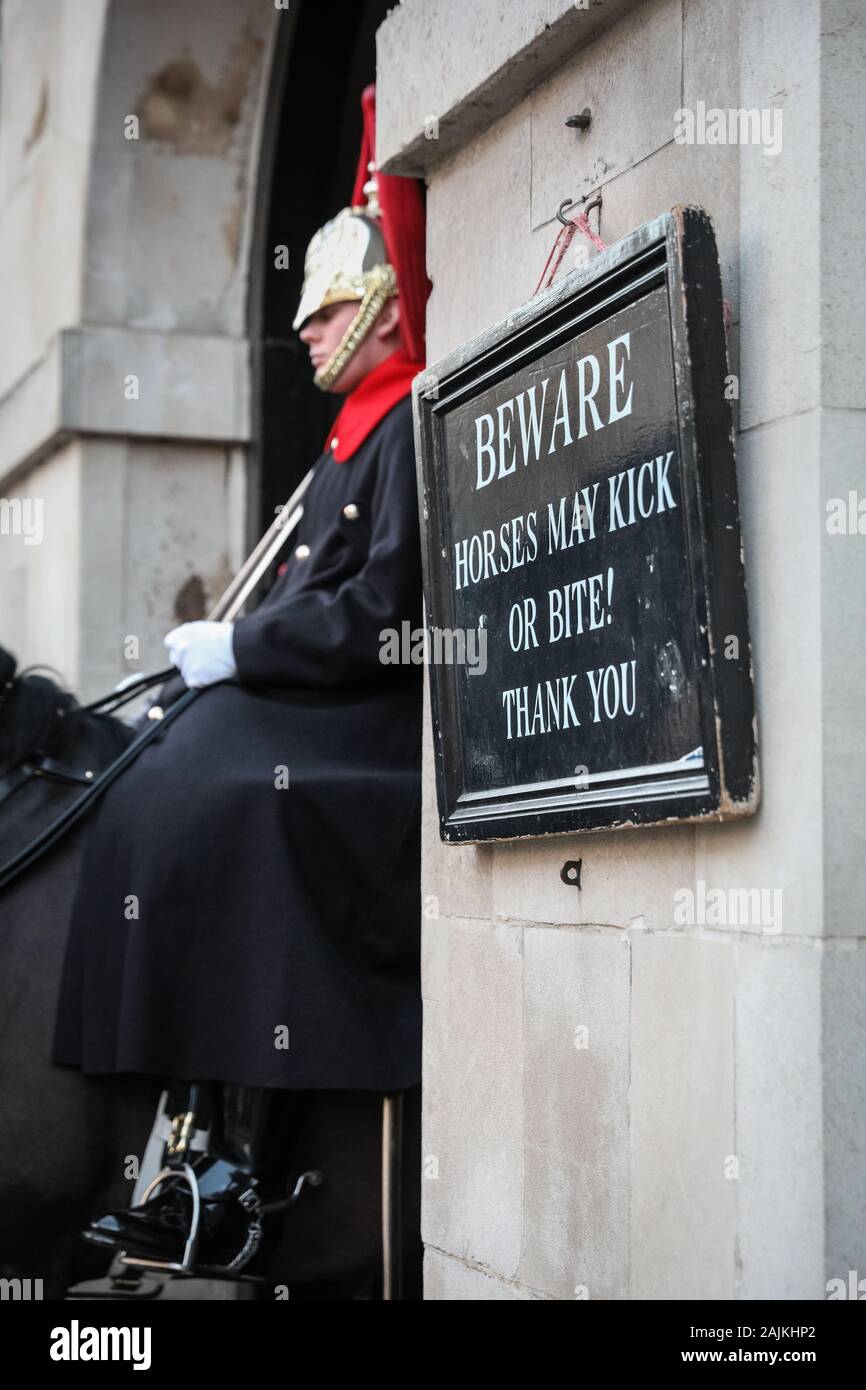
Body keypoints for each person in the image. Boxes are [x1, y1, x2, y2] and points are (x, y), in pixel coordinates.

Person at [50, 86, 431, 1281]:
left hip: (383, 728)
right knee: (158, 760)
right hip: (328, 708)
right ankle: (182, 1134)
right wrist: (212, 660)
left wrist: (245, 652)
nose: (305, 332)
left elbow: (383, 615)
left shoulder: (408, 421)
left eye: (323, 312)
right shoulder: (344, 442)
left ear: (377, 307)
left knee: (229, 792)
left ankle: (243, 1175)